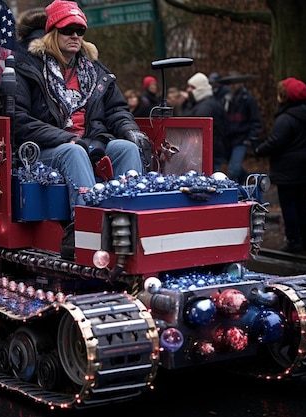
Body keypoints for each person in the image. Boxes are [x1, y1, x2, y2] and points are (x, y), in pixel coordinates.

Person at [14, 0, 148, 259]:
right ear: (52, 32)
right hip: (42, 151)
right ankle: (86, 229)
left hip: (91, 142)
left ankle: (130, 221)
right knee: (72, 152)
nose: (75, 35)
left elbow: (116, 110)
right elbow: (19, 120)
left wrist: (132, 130)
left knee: (126, 147)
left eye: (80, 30)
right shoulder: (26, 67)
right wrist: (69, 139)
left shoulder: (95, 71)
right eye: (68, 29)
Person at [254, 77, 306, 253]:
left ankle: (294, 241)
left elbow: (277, 141)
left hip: (287, 167)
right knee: (302, 203)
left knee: (289, 204)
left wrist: (259, 149)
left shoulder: (285, 118)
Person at [220, 72, 262, 184]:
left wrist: (250, 138)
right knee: (235, 168)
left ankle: (234, 191)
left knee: (234, 170)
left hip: (241, 139)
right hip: (228, 140)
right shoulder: (226, 100)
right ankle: (253, 181)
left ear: (241, 84)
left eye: (235, 83)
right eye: (230, 83)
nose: (232, 86)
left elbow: (256, 120)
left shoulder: (248, 100)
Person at [181, 72, 227, 172]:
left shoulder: (205, 107)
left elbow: (195, 126)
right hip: (209, 150)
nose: (188, 90)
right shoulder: (203, 104)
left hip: (207, 152)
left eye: (192, 87)